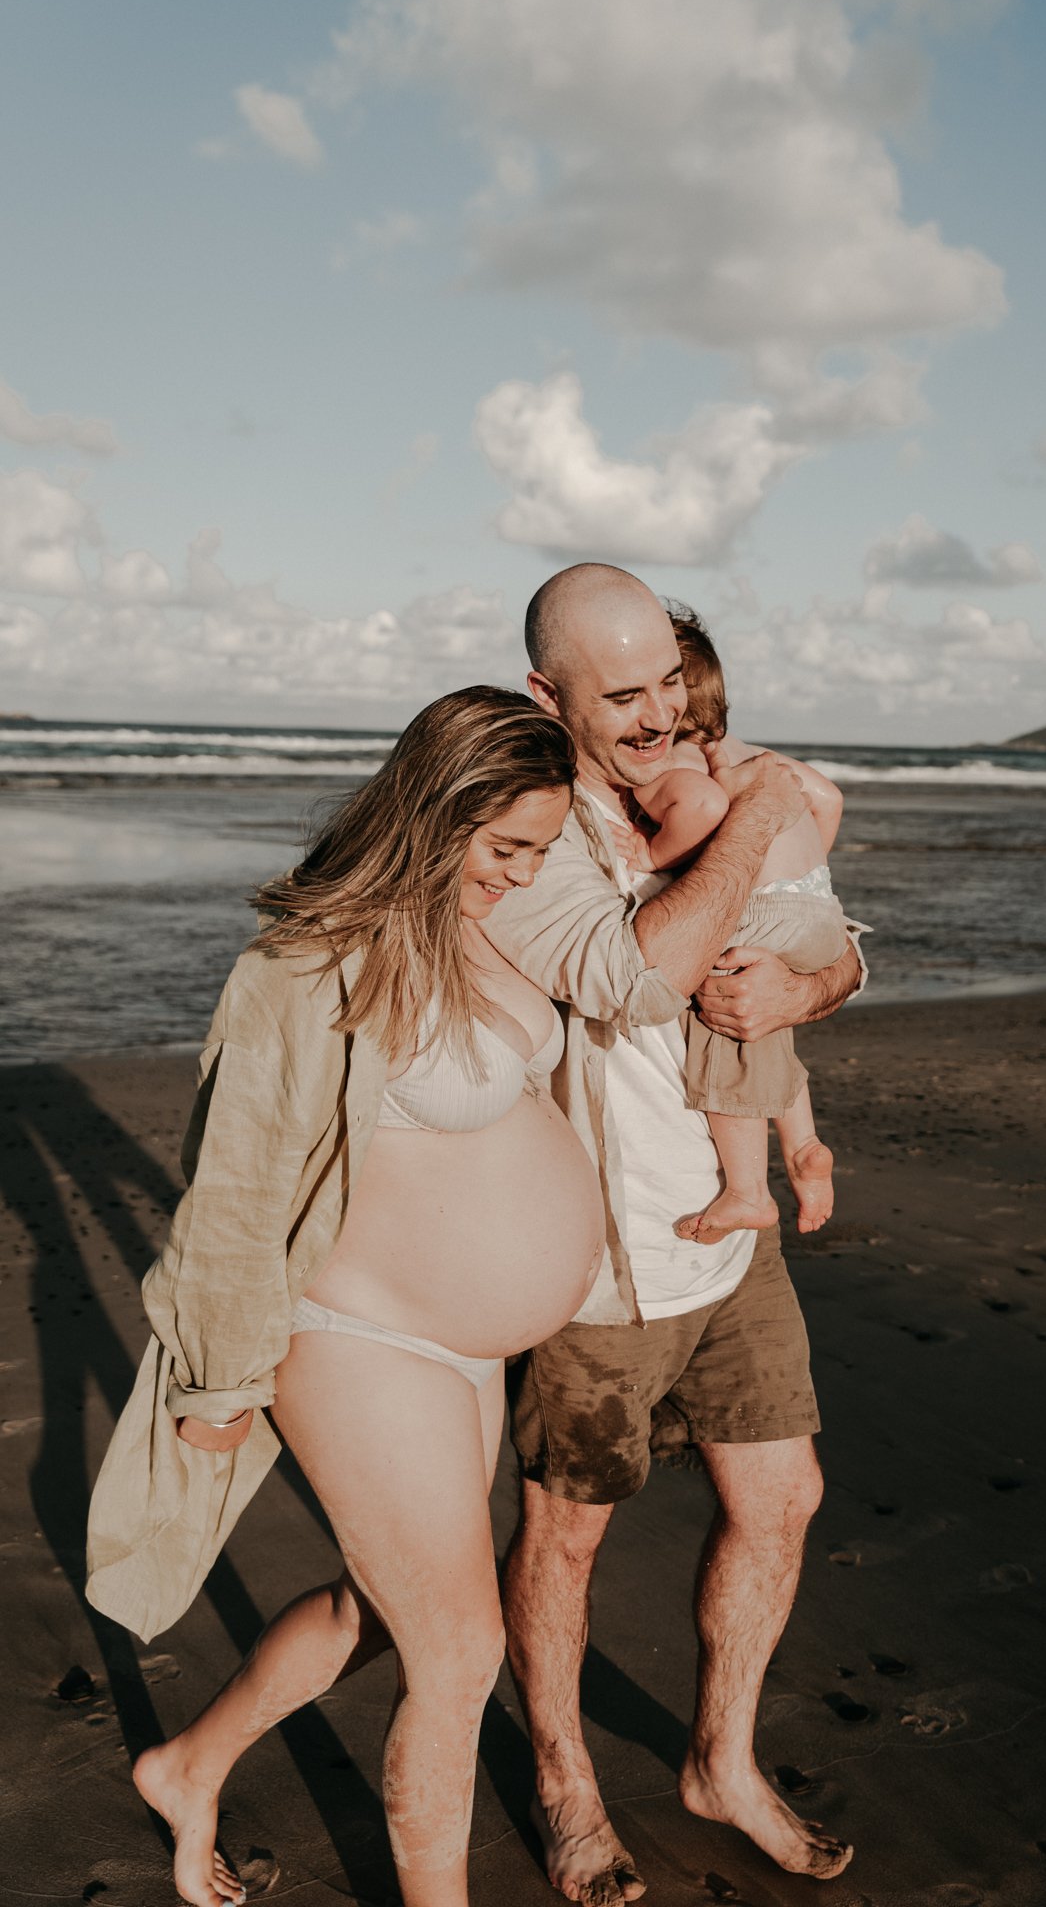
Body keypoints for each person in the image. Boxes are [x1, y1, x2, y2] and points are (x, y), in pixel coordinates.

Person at [85, 687, 604, 1907]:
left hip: (460, 1348)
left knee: (383, 1603)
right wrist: (216, 1382)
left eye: (542, 847)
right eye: (508, 846)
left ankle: (188, 1760)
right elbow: (234, 1185)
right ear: (438, 811)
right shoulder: (306, 961)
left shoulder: (484, 921)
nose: (525, 874)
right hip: (359, 1331)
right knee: (461, 1647)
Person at [487, 563, 866, 1903]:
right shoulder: (522, 825)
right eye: (619, 696)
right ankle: (564, 1787)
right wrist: (758, 806)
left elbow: (826, 940)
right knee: (565, 1538)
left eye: (665, 684)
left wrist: (805, 987)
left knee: (784, 1502)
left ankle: (720, 1763)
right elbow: (635, 972)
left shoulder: (715, 773)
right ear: (550, 697)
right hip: (597, 1265)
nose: (654, 718)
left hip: (733, 1247)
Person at [631, 603, 846, 1244]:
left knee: (722, 1011)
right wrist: (810, 881)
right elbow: (830, 799)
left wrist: (648, 856)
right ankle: (803, 1143)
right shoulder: (759, 757)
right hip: (821, 907)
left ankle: (750, 1189)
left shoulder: (682, 764)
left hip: (771, 906)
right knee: (765, 1017)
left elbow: (697, 808)